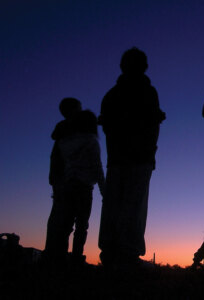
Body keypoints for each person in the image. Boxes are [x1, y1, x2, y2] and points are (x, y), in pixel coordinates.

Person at [98, 47, 165, 268]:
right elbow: (152, 126)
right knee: (134, 206)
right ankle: (127, 255)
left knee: (113, 206)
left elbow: (108, 127)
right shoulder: (148, 92)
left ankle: (110, 252)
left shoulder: (110, 95)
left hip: (116, 159)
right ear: (144, 66)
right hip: (138, 158)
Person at [44, 98, 105, 265]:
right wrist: (103, 189)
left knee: (65, 223)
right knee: (81, 225)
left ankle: (58, 257)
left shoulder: (64, 141)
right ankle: (76, 257)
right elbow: (97, 167)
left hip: (67, 184)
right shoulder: (91, 142)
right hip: (84, 187)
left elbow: (58, 160)